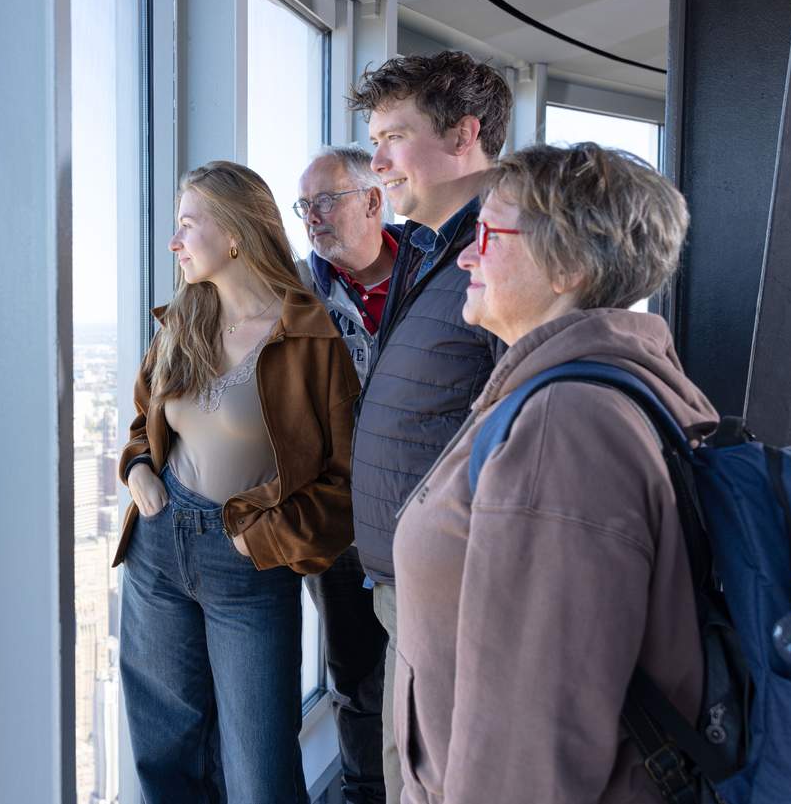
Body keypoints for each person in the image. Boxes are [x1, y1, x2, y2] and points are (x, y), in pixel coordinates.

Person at [390, 142, 717, 804]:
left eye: (487, 233)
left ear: (566, 262)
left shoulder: (561, 429)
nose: (464, 255)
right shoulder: (599, 388)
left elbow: (529, 748)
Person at [115, 160, 359, 804]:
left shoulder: (310, 334)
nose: (174, 242)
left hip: (249, 564)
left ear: (233, 234)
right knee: (165, 756)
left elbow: (345, 479)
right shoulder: (182, 324)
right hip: (158, 551)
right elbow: (146, 421)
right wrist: (138, 468)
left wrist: (264, 540)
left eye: (186, 225)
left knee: (259, 771)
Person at [345, 50, 510, 803]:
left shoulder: (503, 253)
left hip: (457, 590)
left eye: (392, 136)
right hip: (410, 580)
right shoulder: (432, 244)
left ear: (462, 133)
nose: (375, 160)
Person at [293, 145, 398, 804]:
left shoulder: (437, 278)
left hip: (431, 519)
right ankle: (363, 790)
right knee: (356, 677)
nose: (312, 217)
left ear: (372, 200)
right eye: (304, 206)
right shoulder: (296, 297)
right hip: (339, 525)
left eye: (325, 200)